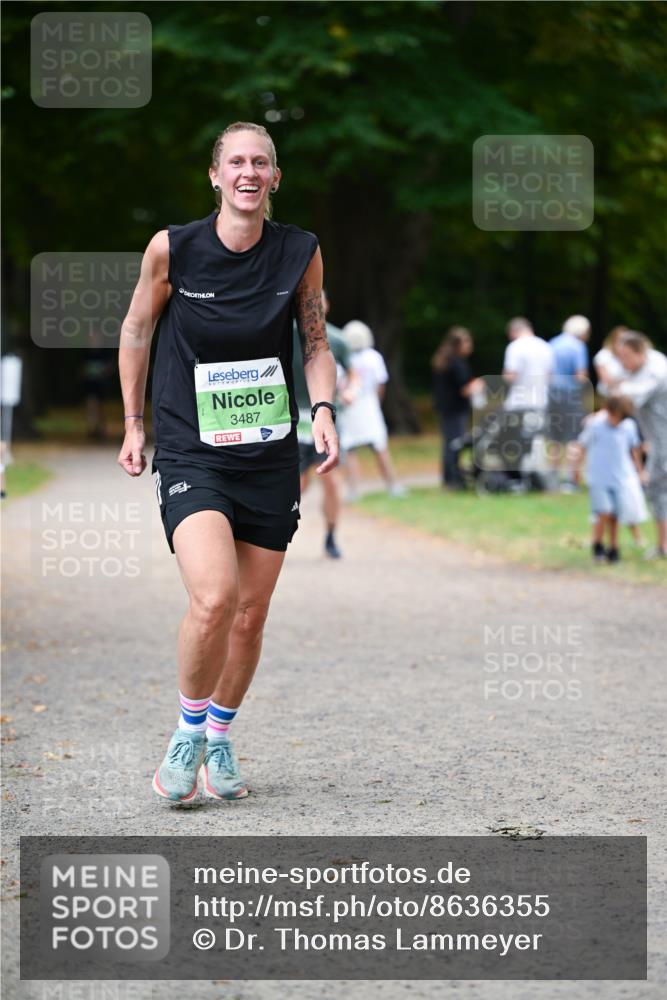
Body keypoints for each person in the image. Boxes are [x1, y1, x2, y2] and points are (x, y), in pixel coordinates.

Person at [117, 122, 338, 805]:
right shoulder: (174, 249)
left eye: (260, 162)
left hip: (267, 454)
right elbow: (136, 328)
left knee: (250, 613)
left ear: (275, 177)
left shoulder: (299, 251)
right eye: (236, 161)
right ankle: (187, 734)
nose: (248, 171)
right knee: (215, 597)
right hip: (192, 448)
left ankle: (219, 735)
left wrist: (323, 409)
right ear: (215, 175)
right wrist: (133, 422)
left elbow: (315, 340)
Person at [293, 290, 357, 558]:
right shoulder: (284, 333)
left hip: (326, 417)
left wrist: (351, 390)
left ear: (327, 306)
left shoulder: (337, 339)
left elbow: (353, 373)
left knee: (330, 481)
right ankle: (273, 536)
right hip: (293, 418)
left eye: (319, 302)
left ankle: (331, 536)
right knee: (297, 484)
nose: (314, 307)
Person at [575, 396, 647, 563]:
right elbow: (582, 446)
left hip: (620, 477)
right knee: (603, 512)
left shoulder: (628, 426)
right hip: (599, 477)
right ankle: (597, 544)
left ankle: (613, 547)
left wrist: (640, 471)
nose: (618, 421)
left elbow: (633, 449)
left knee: (616, 515)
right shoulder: (595, 425)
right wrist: (577, 469)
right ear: (609, 411)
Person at [338, 320, 405, 499]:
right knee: (380, 447)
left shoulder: (343, 357)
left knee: (350, 450)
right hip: (369, 404)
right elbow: (380, 384)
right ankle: (393, 486)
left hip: (350, 406)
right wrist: (377, 403)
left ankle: (353, 491)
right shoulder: (374, 357)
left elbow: (338, 385)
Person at [614, 332, 667, 559]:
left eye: (626, 356)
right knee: (658, 491)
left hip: (663, 443)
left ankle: (664, 546)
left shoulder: (655, 371)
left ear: (640, 352)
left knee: (659, 490)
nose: (622, 362)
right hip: (657, 442)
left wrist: (617, 390)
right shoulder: (643, 366)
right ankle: (663, 545)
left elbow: (629, 398)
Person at [431, 326, 485, 488]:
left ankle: (449, 477)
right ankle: (453, 479)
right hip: (455, 409)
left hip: (446, 408)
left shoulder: (443, 360)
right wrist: (479, 384)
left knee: (449, 443)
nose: (470, 346)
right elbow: (465, 389)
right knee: (455, 443)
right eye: (467, 342)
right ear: (458, 344)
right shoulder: (457, 363)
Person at [546, 315, 591, 491]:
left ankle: (552, 479)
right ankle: (572, 480)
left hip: (552, 395)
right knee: (574, 437)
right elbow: (580, 375)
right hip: (571, 397)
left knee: (554, 438)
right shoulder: (578, 346)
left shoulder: (553, 343)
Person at [593, 326, 629, 398]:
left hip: (626, 394)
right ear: (613, 341)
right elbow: (606, 381)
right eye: (620, 341)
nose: (622, 345)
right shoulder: (603, 355)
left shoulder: (628, 356)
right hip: (606, 394)